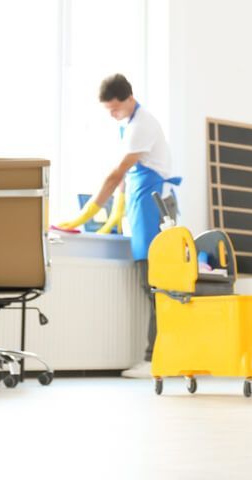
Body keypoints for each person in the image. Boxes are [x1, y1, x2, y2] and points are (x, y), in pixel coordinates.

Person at [55, 74, 179, 379]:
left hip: (156, 209)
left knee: (158, 287)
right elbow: (127, 178)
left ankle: (157, 360)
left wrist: (87, 213)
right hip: (144, 206)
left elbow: (116, 174)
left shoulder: (141, 125)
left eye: (115, 109)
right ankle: (157, 358)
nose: (112, 115)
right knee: (149, 285)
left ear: (129, 99)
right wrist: (116, 212)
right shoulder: (130, 124)